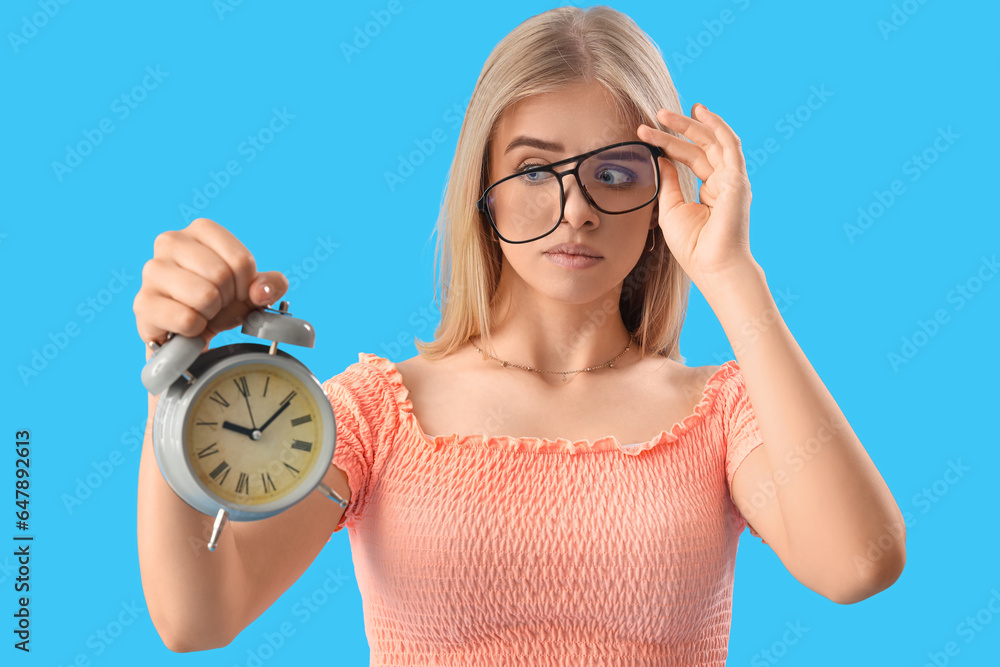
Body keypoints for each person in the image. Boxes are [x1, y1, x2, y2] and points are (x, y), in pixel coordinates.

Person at [133, 4, 906, 663]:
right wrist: (179, 374)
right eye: (536, 171)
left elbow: (858, 563)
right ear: (483, 194)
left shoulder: (719, 413)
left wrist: (732, 275)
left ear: (666, 187)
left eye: (615, 172)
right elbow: (199, 613)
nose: (576, 211)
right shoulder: (378, 412)